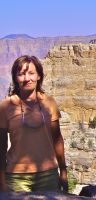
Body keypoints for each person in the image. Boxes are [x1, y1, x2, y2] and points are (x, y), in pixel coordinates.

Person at [0, 55, 68, 192]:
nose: (27, 79)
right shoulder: (5, 106)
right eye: (21, 74)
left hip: (48, 174)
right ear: (15, 78)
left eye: (31, 73)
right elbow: (0, 147)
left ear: (39, 76)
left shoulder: (49, 103)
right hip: (16, 177)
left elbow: (57, 139)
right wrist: (1, 181)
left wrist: (63, 171)